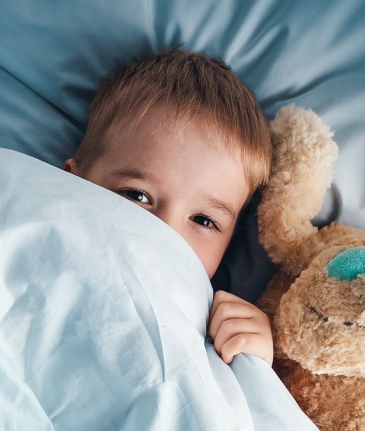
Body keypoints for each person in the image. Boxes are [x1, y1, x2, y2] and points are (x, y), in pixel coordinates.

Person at [63, 48, 274, 366]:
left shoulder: (215, 332)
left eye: (203, 220)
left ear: (230, 242)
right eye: (137, 195)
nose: (163, 234)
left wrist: (253, 362)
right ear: (68, 184)